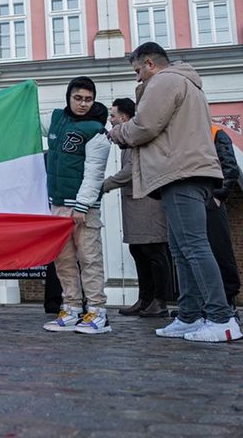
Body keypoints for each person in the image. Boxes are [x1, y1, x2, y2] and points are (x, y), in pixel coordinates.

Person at [108, 42, 242, 343]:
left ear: (150, 64)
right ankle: (189, 315)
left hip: (180, 172)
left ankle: (221, 319)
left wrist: (117, 134)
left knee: (194, 247)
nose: (138, 79)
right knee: (182, 250)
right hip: (184, 172)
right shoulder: (187, 84)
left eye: (138, 71)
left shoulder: (165, 81)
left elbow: (144, 126)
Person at [43, 76, 112, 336]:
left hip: (83, 208)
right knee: (64, 260)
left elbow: (95, 172)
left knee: (89, 258)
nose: (83, 104)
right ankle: (71, 308)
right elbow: (27, 121)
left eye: (88, 99)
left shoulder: (96, 131)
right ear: (69, 97)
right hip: (58, 205)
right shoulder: (57, 120)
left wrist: (82, 205)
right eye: (78, 98)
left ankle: (97, 312)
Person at [102, 98, 174, 319]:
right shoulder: (127, 140)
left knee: (154, 252)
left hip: (148, 203)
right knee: (139, 250)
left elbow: (132, 170)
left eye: (112, 116)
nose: (110, 120)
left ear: (124, 118)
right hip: (136, 202)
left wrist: (105, 184)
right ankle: (145, 299)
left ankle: (159, 301)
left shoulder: (137, 137)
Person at [208, 125, 243, 308]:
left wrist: (219, 194)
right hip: (198, 198)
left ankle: (228, 299)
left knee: (219, 248)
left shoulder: (215, 133)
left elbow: (230, 166)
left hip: (211, 199)